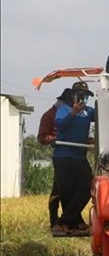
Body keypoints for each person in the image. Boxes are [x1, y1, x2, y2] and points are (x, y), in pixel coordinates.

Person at [51, 81, 96, 236]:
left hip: (79, 156)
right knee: (67, 192)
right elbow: (60, 125)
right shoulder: (63, 109)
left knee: (87, 188)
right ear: (72, 96)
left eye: (85, 96)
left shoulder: (88, 112)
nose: (83, 99)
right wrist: (73, 112)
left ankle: (63, 222)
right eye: (80, 95)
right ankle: (74, 223)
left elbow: (103, 116)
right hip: (63, 156)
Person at [37, 88, 72, 232]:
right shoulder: (49, 116)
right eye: (69, 101)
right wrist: (54, 139)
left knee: (71, 190)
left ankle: (68, 221)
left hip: (74, 156)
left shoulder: (72, 114)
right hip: (60, 156)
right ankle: (54, 222)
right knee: (58, 191)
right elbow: (41, 137)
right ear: (64, 101)